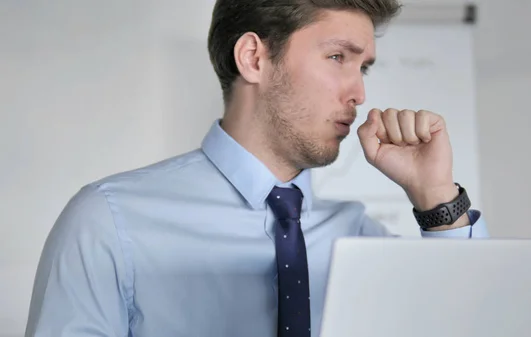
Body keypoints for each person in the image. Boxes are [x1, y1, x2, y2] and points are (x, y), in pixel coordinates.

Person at [25, 0, 489, 336]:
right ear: (253, 58)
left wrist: (436, 197)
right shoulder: (108, 223)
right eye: (337, 57)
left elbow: (481, 320)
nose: (358, 93)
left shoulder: (361, 238)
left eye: (362, 67)